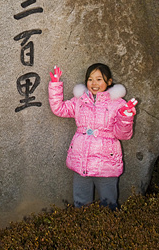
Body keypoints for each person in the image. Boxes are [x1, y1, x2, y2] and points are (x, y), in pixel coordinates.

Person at [48, 63, 137, 210]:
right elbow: (60, 109)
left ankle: (111, 229)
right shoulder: (80, 100)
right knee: (81, 203)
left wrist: (125, 116)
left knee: (109, 203)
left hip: (107, 162)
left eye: (99, 79)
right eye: (90, 79)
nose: (94, 83)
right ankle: (83, 229)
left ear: (109, 82)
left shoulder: (118, 103)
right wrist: (55, 85)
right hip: (81, 161)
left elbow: (123, 134)